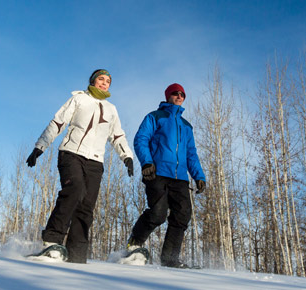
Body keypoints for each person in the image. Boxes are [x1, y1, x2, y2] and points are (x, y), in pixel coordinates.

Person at [26, 69, 134, 263]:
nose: (104, 83)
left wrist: (127, 157)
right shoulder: (79, 99)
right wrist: (40, 146)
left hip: (95, 161)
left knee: (86, 207)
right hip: (71, 153)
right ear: (93, 81)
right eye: (101, 79)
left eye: (108, 81)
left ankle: (76, 256)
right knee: (74, 189)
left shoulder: (112, 109)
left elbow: (117, 135)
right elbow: (58, 122)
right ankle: (51, 242)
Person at [127, 83, 206, 268]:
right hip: (157, 173)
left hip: (180, 178)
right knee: (157, 213)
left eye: (182, 94)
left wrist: (199, 176)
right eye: (175, 93)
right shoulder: (155, 117)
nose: (179, 96)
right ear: (168, 95)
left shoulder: (187, 126)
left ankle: (170, 259)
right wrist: (147, 163)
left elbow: (191, 153)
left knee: (182, 215)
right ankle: (134, 244)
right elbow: (141, 139)